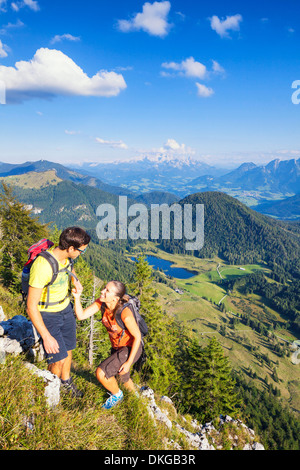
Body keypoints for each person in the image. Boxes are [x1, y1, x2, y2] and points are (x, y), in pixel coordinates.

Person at [26, 226, 91, 397]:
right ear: (71, 248)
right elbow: (31, 306)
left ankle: (66, 382)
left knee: (68, 350)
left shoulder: (66, 257)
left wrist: (75, 280)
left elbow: (69, 266)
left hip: (66, 309)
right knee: (58, 359)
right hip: (48, 315)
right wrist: (46, 336)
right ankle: (49, 394)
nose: (80, 254)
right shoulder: (42, 267)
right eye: (81, 251)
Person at [72, 280, 142, 410]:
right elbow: (81, 316)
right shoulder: (102, 303)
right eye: (104, 288)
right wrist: (77, 298)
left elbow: (138, 337)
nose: (102, 291)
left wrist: (128, 362)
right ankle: (137, 400)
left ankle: (117, 395)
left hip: (131, 348)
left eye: (107, 291)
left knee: (101, 373)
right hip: (117, 347)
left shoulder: (125, 314)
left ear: (115, 299)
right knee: (122, 377)